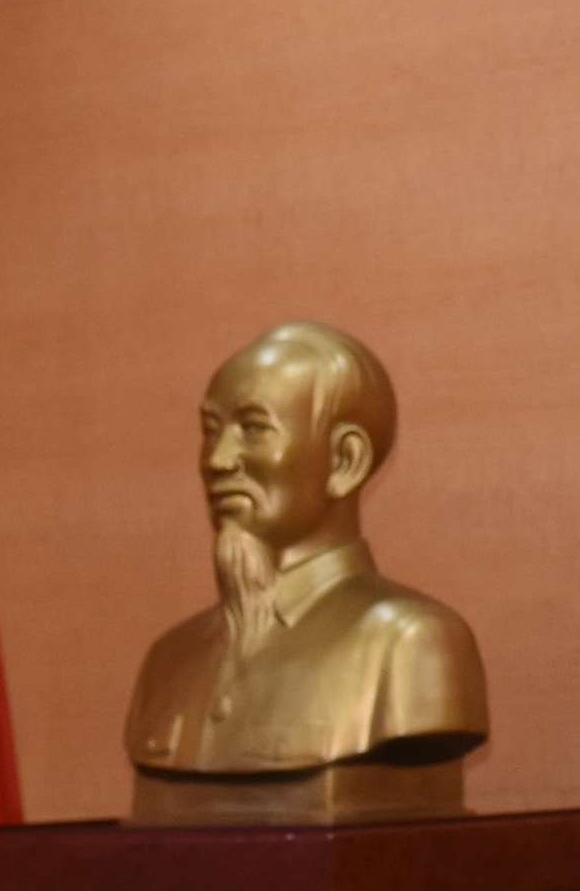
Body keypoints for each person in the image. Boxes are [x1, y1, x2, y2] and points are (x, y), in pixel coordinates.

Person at [122, 321, 487, 780]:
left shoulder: (413, 644)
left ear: (344, 462)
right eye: (211, 431)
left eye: (253, 429)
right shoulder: (169, 662)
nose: (217, 460)